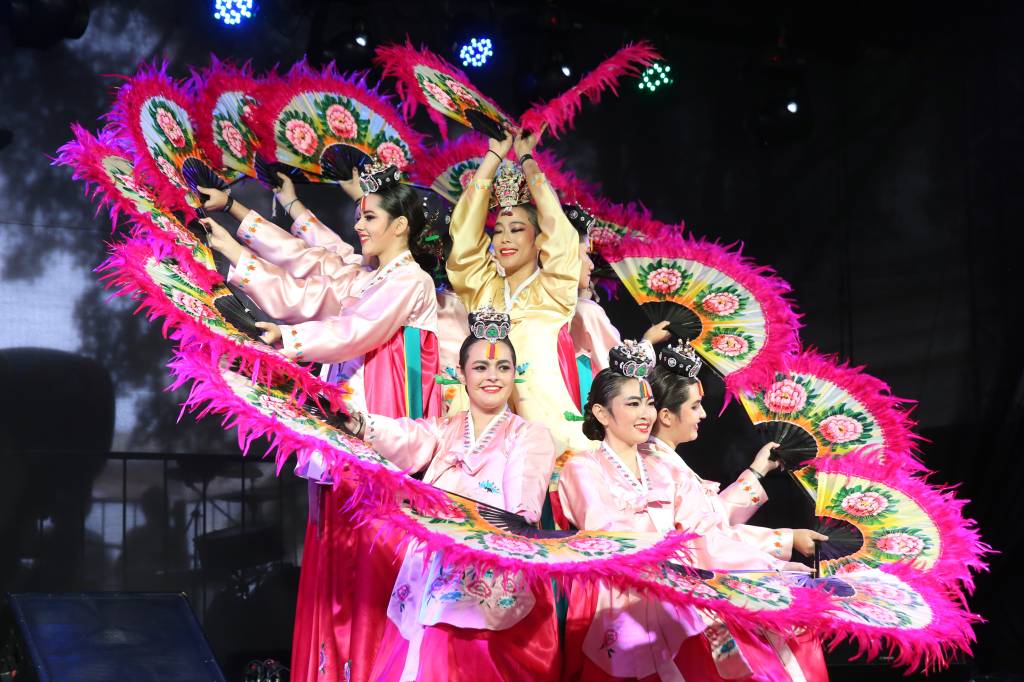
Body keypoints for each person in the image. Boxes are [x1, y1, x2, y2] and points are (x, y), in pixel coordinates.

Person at [201, 161, 442, 682]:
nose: (360, 226)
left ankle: (368, 666)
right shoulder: (369, 274)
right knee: (333, 546)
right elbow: (308, 271)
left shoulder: (412, 281)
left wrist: (287, 340)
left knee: (370, 553)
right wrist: (236, 234)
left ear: (400, 225)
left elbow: (355, 330)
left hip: (379, 424)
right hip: (339, 422)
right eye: (360, 216)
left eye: (370, 216)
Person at [557, 341, 827, 681]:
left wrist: (769, 569)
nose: (645, 414)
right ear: (601, 413)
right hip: (618, 589)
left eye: (649, 403)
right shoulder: (582, 467)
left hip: (677, 583)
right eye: (633, 404)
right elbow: (607, 535)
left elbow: (706, 532)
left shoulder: (664, 468)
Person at [338, 308, 559, 681]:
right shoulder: (443, 429)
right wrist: (360, 423)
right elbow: (404, 436)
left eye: (503, 368)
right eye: (481, 368)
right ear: (461, 375)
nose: (492, 377)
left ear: (515, 375)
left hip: (495, 562)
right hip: (437, 566)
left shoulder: (529, 434)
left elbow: (523, 497)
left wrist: (512, 525)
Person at [446, 130, 589, 451]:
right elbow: (464, 243)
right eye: (497, 231)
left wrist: (527, 162)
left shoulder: (553, 290)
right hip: (480, 428)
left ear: (539, 239)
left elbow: (562, 239)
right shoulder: (482, 289)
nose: (505, 239)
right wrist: (492, 158)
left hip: (548, 433)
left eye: (517, 229)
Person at [567, 203, 670, 405]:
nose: (592, 264)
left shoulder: (541, 301)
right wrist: (648, 342)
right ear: (566, 256)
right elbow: (620, 368)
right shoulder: (587, 311)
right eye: (586, 254)